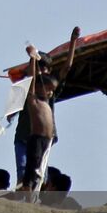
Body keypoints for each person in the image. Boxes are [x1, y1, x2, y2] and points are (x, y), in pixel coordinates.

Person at [9, 28, 81, 184]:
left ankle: (34, 193)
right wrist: (10, 115)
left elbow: (66, 68)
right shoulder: (24, 88)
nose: (40, 72)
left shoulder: (50, 89)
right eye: (37, 67)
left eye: (44, 68)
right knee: (22, 171)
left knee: (39, 173)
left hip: (44, 136)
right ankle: (23, 193)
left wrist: (73, 41)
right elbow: (12, 110)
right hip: (23, 135)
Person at [21, 76, 57, 191]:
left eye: (52, 90)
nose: (50, 92)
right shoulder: (34, 101)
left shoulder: (47, 103)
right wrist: (33, 65)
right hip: (36, 138)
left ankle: (33, 189)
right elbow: (32, 81)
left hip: (47, 140)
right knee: (32, 164)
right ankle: (26, 187)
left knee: (39, 167)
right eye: (48, 89)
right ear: (38, 87)